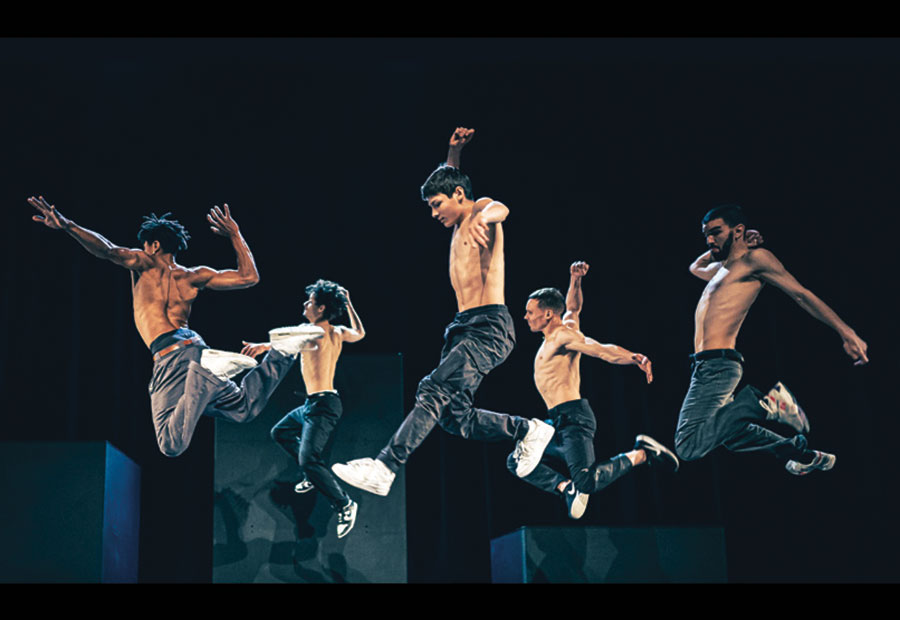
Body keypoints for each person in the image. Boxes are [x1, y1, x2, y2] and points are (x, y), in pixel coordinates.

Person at [331, 128, 555, 496]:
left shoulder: (480, 211)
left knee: (433, 389)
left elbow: (500, 207)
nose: (434, 213)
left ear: (460, 196)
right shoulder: (458, 212)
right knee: (454, 417)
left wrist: (484, 217)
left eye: (437, 205)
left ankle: (385, 467)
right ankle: (527, 430)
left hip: (488, 327)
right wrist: (453, 153)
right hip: (464, 328)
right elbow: (450, 180)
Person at [27, 196, 323, 457]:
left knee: (170, 443)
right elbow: (249, 277)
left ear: (154, 245)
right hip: (196, 347)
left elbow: (108, 250)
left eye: (145, 245)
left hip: (171, 356)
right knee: (243, 408)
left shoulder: (144, 263)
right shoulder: (194, 276)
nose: (141, 249)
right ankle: (283, 352)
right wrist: (235, 234)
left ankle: (206, 375)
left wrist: (67, 225)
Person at [675, 204, 868, 474]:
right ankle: (800, 454)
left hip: (717, 365)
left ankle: (764, 404)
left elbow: (801, 294)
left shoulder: (755, 260)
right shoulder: (722, 268)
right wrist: (723, 244)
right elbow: (695, 267)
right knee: (730, 433)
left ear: (738, 230)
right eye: (706, 234)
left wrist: (845, 332)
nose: (709, 240)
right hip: (708, 365)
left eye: (716, 232)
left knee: (687, 445)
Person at [513, 261, 678, 519]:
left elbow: (601, 350)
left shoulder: (563, 337)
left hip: (573, 419)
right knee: (517, 460)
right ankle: (565, 488)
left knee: (587, 483)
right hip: (555, 421)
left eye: (530, 312)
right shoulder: (560, 331)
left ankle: (642, 454)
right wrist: (575, 280)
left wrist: (633, 357)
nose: (525, 317)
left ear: (548, 314)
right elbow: (573, 308)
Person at [241, 280, 365, 538]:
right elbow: (359, 333)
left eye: (310, 301)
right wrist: (349, 304)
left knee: (309, 459)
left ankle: (344, 504)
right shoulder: (338, 331)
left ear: (321, 308)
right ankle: (311, 475)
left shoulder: (309, 331)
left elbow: (284, 342)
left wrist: (263, 346)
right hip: (313, 404)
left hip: (324, 405)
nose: (305, 304)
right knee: (281, 432)